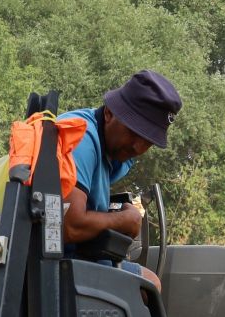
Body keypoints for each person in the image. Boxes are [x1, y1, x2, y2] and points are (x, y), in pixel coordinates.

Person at [59, 70, 182, 281]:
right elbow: (69, 226)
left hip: (76, 257)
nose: (138, 147)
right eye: (133, 132)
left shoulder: (115, 152)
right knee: (148, 286)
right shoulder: (81, 139)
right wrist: (123, 219)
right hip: (54, 262)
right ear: (108, 113)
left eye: (148, 140)